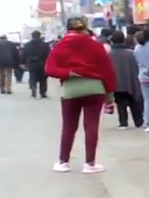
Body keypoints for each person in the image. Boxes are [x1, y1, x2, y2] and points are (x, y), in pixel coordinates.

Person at [45, 17, 117, 174]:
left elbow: (49, 69)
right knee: (91, 126)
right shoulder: (95, 45)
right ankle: (90, 164)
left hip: (71, 91)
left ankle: (63, 162)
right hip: (95, 89)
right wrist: (109, 97)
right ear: (84, 29)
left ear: (67, 29)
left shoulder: (60, 46)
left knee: (69, 127)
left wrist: (68, 73)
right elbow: (108, 72)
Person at [108, 31, 144, 129]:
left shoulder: (109, 55)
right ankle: (138, 121)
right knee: (134, 101)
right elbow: (136, 68)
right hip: (131, 81)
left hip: (117, 83)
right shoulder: (130, 53)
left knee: (120, 103)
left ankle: (123, 122)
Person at [22, 30, 51, 98]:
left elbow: (24, 54)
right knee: (43, 79)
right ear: (40, 36)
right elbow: (48, 55)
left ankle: (33, 87)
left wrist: (23, 62)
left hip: (31, 64)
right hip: (42, 63)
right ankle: (43, 92)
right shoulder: (45, 44)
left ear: (32, 36)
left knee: (32, 77)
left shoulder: (27, 45)